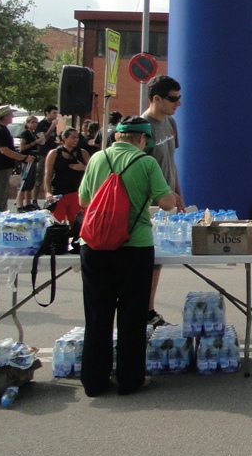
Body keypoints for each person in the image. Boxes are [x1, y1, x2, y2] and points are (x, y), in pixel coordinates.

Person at [77, 117, 179, 396]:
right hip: (134, 246)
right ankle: (130, 380)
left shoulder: (98, 158)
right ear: (141, 139)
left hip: (95, 245)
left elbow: (84, 201)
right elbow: (168, 203)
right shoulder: (146, 163)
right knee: (132, 316)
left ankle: (94, 381)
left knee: (97, 315)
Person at [142, 74, 186, 328]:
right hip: (148, 204)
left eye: (179, 98)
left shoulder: (170, 122)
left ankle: (147, 311)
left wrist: (179, 193)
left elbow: (171, 162)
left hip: (168, 200)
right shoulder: (141, 126)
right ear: (156, 99)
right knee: (148, 259)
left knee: (157, 262)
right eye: (173, 99)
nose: (178, 103)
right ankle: (144, 311)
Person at [0, 105, 34, 212]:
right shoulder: (0, 131)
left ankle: (0, 213)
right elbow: (4, 150)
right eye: (10, 114)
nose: (12, 116)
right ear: (5, 116)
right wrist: (23, 157)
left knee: (2, 193)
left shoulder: (1, 129)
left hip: (2, 166)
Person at [43, 127, 90, 224]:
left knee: (77, 223)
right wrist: (48, 192)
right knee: (56, 222)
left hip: (77, 192)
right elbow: (48, 174)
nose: (76, 140)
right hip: (59, 192)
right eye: (73, 137)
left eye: (77, 137)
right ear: (64, 138)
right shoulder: (54, 153)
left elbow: (93, 171)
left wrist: (83, 168)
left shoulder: (83, 153)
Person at [14, 115, 40, 211]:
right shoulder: (25, 133)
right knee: (24, 182)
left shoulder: (34, 133)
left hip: (33, 159)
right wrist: (34, 143)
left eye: (36, 122)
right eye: (32, 122)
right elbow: (22, 147)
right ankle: (20, 205)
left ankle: (28, 203)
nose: (34, 124)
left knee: (30, 183)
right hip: (26, 160)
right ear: (27, 123)